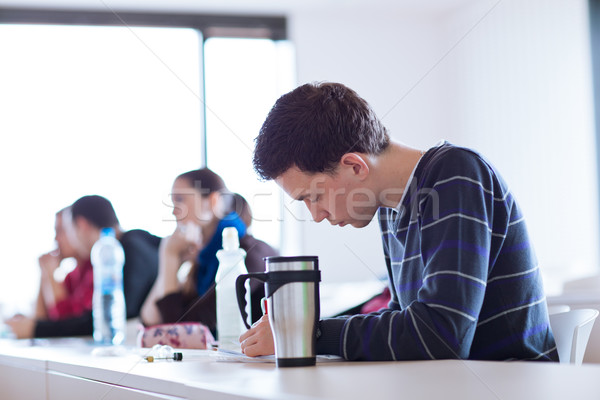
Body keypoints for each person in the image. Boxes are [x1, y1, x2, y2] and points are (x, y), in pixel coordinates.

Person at [240, 82, 558, 362]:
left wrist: (307, 334)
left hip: (509, 386)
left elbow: (442, 334)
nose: (316, 214)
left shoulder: (455, 174)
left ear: (354, 166)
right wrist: (314, 331)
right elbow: (403, 318)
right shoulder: (391, 207)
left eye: (314, 196)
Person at [140, 168, 278, 334]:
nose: (173, 211)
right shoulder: (203, 261)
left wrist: (170, 256)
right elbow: (150, 320)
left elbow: (182, 332)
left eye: (180, 200)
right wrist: (170, 261)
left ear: (213, 201)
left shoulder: (248, 254)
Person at [6, 195, 160, 338]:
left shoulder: (128, 248)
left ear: (82, 225)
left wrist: (38, 329)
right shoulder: (116, 250)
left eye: (68, 230)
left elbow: (105, 318)